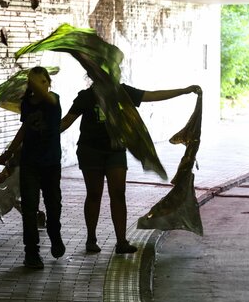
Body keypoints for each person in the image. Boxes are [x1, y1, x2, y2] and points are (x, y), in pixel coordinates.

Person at [60, 82, 201, 254]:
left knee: (118, 193)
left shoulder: (123, 93)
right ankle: (91, 239)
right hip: (91, 151)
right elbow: (67, 120)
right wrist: (42, 134)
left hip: (116, 151)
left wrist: (183, 90)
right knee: (94, 194)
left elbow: (152, 95)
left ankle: (121, 242)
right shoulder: (86, 96)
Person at [0, 67, 64, 269]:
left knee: (53, 206)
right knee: (29, 208)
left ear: (48, 83)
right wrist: (10, 151)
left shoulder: (54, 100)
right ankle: (31, 252)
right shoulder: (27, 103)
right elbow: (25, 128)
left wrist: (33, 83)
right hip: (30, 163)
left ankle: (54, 234)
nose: (39, 86)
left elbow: (48, 98)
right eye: (35, 82)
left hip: (51, 163)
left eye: (42, 82)